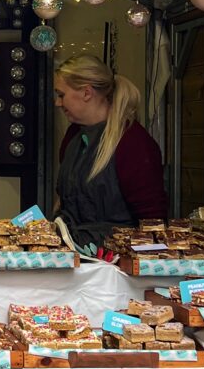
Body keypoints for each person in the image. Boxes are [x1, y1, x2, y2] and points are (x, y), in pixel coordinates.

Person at [54, 54, 167, 250]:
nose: (58, 103)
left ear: (86, 93)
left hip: (116, 259)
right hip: (74, 253)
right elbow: (63, 200)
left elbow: (153, 221)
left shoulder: (133, 143)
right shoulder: (73, 136)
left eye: (61, 95)